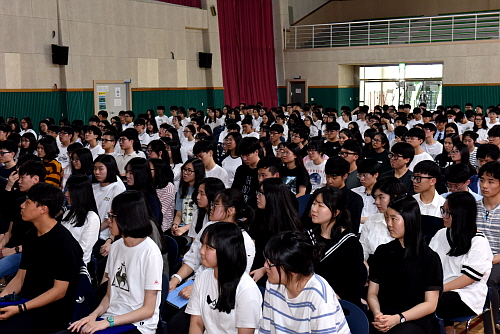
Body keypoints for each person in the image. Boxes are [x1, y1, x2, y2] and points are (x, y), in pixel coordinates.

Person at [66, 191, 163, 334]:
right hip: (111, 317)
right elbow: (109, 296)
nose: (109, 220)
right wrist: (92, 316)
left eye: (113, 216)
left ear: (127, 218)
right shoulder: (117, 246)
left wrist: (107, 322)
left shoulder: (150, 252)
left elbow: (148, 310)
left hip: (139, 325)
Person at [168, 189, 255, 334]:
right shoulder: (209, 228)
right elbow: (193, 259)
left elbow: (235, 279)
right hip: (197, 283)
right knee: (164, 312)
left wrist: (197, 288)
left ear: (231, 210)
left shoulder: (243, 241)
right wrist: (176, 279)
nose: (211, 208)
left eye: (216, 204)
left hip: (221, 294)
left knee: (176, 325)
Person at [0, 183, 82, 334]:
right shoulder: (32, 235)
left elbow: (59, 291)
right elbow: (20, 277)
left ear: (43, 209)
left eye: (28, 202)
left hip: (51, 311)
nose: (22, 205)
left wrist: (20, 308)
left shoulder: (64, 243)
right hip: (26, 302)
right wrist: (2, 300)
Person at [367, 195, 443, 334]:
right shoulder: (383, 251)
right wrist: (378, 314)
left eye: (394, 219)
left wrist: (398, 318)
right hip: (382, 316)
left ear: (409, 220)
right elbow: (372, 292)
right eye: (387, 218)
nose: (389, 223)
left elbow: (430, 304)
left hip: (413, 320)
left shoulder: (429, 258)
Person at [260, 231, 350, 334]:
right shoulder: (273, 284)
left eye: (271, 263)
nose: (265, 266)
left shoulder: (318, 295)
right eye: (267, 260)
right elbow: (265, 330)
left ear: (292, 269)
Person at [430, 192, 492, 334]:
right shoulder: (441, 234)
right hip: (440, 288)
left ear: (461, 215)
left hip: (466, 295)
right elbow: (428, 262)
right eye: (443, 210)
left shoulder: (478, 241)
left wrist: (437, 289)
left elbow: (468, 279)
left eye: (447, 213)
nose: (443, 216)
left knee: (428, 304)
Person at [186, 223, 262, 334]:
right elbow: (196, 323)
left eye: (208, 248)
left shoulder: (246, 289)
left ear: (226, 250)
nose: (201, 251)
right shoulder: (202, 277)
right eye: (202, 245)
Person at [248, 178, 302, 286]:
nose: (257, 197)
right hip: (257, 262)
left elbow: (287, 258)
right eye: (257, 192)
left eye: (261, 194)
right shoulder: (258, 214)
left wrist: (263, 269)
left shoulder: (288, 223)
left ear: (272, 196)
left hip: (277, 270)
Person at [475, 161, 500, 334]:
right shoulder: (473, 207)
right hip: (475, 259)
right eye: (482, 180)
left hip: (496, 260)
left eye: (491, 181)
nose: (484, 185)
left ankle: (491, 326)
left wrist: (489, 260)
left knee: (488, 279)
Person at [360, 177, 407, 261]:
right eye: (375, 198)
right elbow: (363, 249)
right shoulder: (372, 220)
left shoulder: (406, 221)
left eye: (381, 197)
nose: (377, 202)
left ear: (395, 196)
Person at [91, 154, 126, 260]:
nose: (96, 172)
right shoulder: (93, 187)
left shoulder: (117, 188)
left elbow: (111, 218)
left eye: (101, 169)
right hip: (93, 232)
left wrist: (93, 231)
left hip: (105, 235)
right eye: (95, 169)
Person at [61, 175, 100, 266]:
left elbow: (83, 250)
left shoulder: (92, 218)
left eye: (70, 190)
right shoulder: (67, 213)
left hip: (77, 266)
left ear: (79, 193)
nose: (66, 194)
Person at [171, 158, 205, 249]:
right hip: (182, 228)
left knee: (175, 244)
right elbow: (179, 214)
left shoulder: (202, 192)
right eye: (184, 169)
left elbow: (201, 218)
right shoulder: (182, 189)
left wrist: (184, 229)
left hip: (195, 230)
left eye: (189, 171)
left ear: (197, 172)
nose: (185, 173)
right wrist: (175, 225)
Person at [232, 137, 261, 205]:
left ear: (256, 152)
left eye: (248, 155)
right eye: (242, 155)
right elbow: (235, 189)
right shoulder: (241, 169)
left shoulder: (263, 171)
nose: (244, 159)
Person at [149, 158, 176, 232]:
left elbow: (160, 212)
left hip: (162, 227)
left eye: (149, 169)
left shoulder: (168, 187)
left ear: (158, 171)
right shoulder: (149, 185)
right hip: (149, 223)